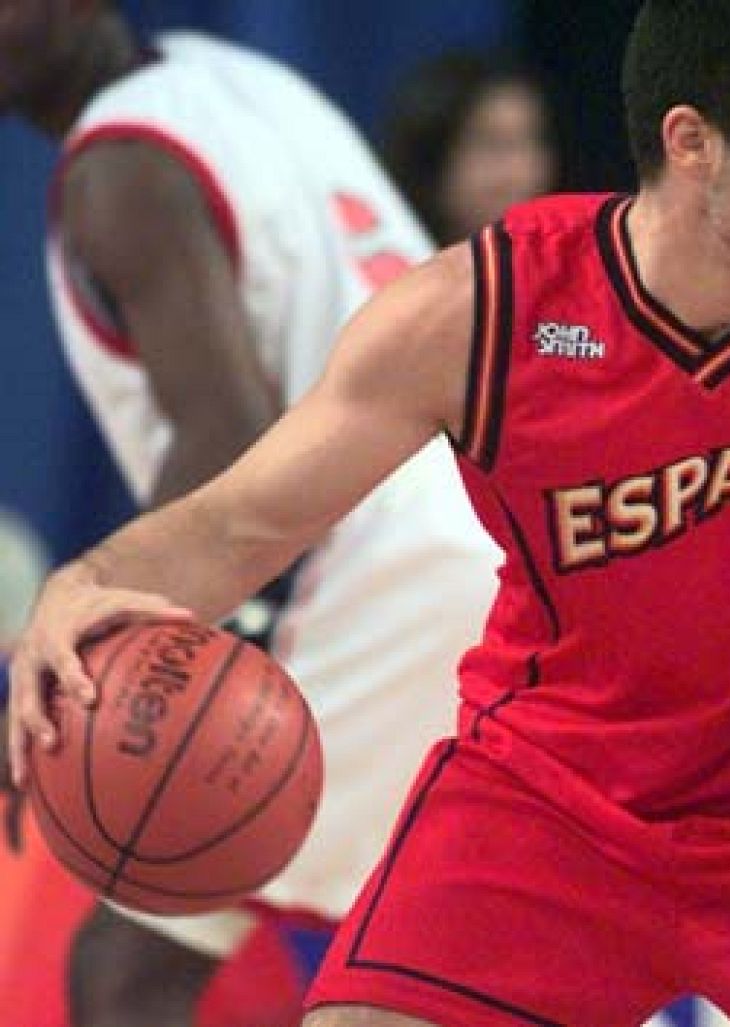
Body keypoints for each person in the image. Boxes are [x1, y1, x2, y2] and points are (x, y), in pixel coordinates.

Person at [7, 3, 730, 1025]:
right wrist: (90, 582)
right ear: (691, 143)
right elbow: (242, 522)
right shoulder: (488, 309)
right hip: (552, 798)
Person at [0, 4, 501, 1024]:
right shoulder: (233, 79)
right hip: (492, 524)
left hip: (389, 564)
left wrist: (86, 637)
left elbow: (226, 434)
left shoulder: (119, 170)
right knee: (487, 958)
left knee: (128, 966)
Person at [380, 50, 560, 247]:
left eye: (534, 141)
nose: (523, 172)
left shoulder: (575, 269)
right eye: (493, 145)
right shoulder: (387, 268)